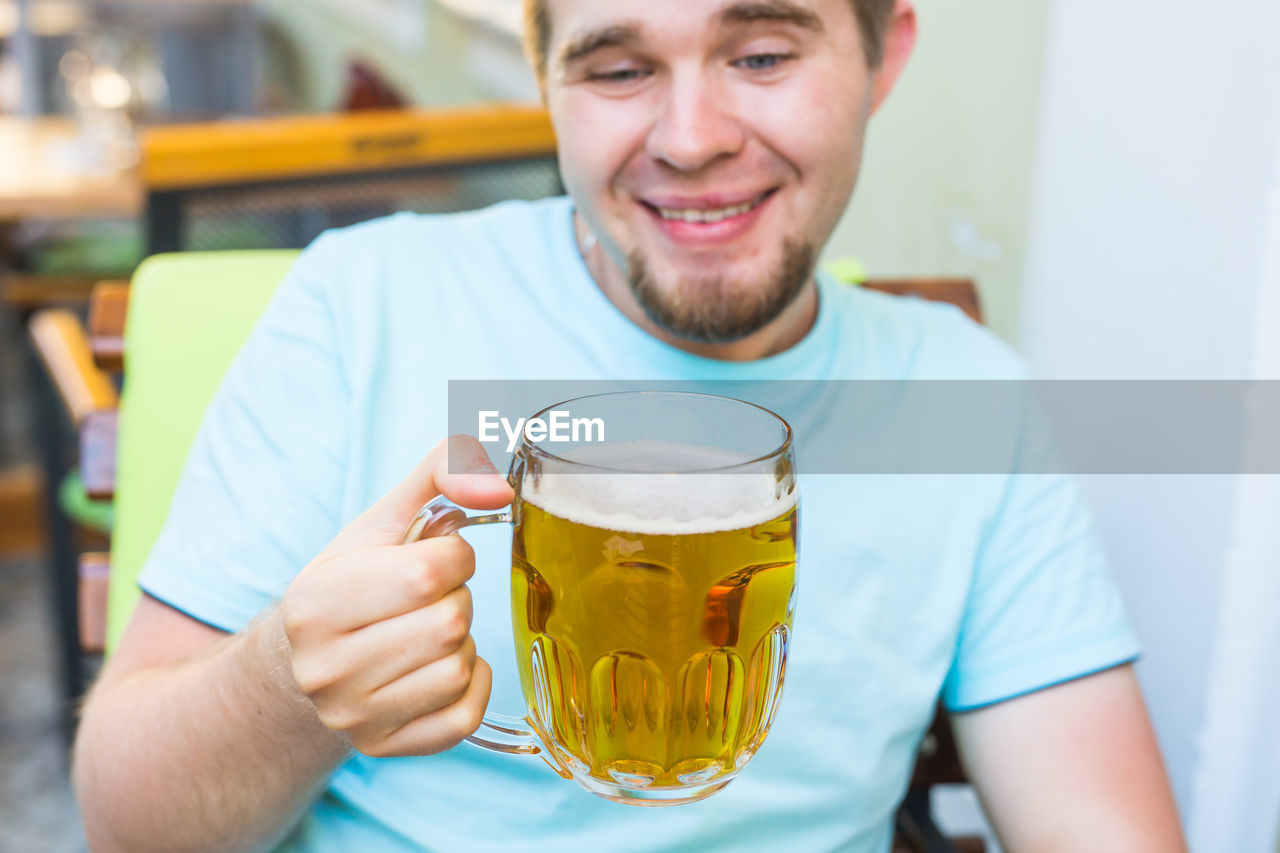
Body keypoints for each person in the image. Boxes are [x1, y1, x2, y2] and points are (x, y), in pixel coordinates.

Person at [73, 0, 1187, 850]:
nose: (691, 137)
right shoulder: (364, 303)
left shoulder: (963, 402)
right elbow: (128, 819)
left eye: (760, 54)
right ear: (543, 78)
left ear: (881, 55)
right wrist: (284, 684)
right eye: (615, 68)